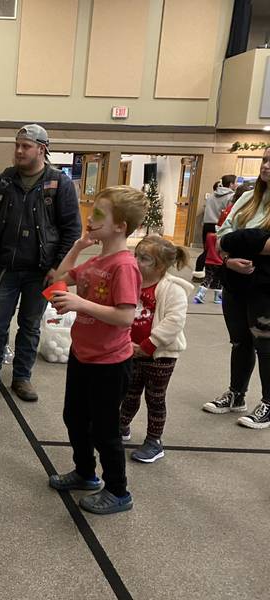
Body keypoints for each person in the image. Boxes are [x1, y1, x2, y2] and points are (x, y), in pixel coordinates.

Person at [0, 124, 81, 401]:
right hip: (6, 267)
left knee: (30, 324)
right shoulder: (3, 181)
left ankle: (22, 378)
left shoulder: (59, 184)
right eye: (17, 145)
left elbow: (72, 230)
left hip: (42, 271)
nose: (18, 151)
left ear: (42, 149)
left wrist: (58, 267)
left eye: (25, 146)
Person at [47, 185, 147, 515]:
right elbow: (57, 279)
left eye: (100, 214)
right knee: (74, 417)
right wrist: (77, 247)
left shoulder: (124, 266)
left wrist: (80, 303)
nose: (91, 218)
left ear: (120, 225)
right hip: (82, 356)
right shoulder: (95, 261)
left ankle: (118, 491)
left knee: (104, 430)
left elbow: (125, 317)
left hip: (110, 363)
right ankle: (86, 473)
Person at [202, 149, 270, 428]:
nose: (266, 165)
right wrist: (229, 259)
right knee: (239, 340)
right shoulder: (246, 198)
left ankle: (268, 402)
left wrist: (237, 239)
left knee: (265, 344)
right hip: (236, 281)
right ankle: (236, 395)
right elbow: (220, 238)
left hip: (265, 286)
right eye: (265, 159)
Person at [120, 235, 192, 463]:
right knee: (128, 393)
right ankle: (121, 426)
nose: (137, 261)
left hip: (160, 356)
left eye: (144, 259)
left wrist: (148, 345)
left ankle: (154, 441)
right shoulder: (134, 282)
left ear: (159, 266)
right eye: (136, 256)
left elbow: (174, 321)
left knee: (155, 398)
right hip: (131, 351)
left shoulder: (173, 290)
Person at [193, 175, 237, 278]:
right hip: (219, 225)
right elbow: (228, 212)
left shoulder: (212, 195)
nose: (237, 184)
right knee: (220, 251)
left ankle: (198, 271)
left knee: (207, 250)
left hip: (207, 225)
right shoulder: (230, 197)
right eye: (235, 182)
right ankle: (216, 276)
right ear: (230, 184)